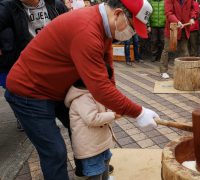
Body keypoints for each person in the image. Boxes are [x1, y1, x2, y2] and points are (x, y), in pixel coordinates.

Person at [3, 0, 159, 179]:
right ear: (117, 14)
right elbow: (100, 88)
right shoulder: (86, 30)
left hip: (55, 88)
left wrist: (115, 104)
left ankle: (88, 169)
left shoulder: (103, 25)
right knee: (54, 151)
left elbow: (107, 66)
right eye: (131, 27)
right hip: (28, 91)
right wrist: (138, 112)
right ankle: (84, 170)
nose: (130, 34)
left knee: (81, 128)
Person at [0, 0, 68, 131]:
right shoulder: (8, 7)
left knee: (76, 122)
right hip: (30, 75)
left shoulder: (56, 5)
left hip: (59, 72)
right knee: (51, 141)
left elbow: (72, 29)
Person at [64, 64, 119, 180]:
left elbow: (103, 108)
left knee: (105, 162)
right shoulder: (82, 98)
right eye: (105, 81)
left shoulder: (94, 92)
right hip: (90, 147)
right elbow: (92, 119)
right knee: (95, 172)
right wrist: (113, 115)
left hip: (99, 142)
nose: (107, 84)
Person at [159, 0, 196, 79]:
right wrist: (177, 21)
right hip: (172, 28)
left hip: (184, 28)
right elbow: (169, 13)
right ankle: (163, 71)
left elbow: (194, 8)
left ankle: (186, 71)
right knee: (167, 49)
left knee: (184, 50)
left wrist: (193, 17)